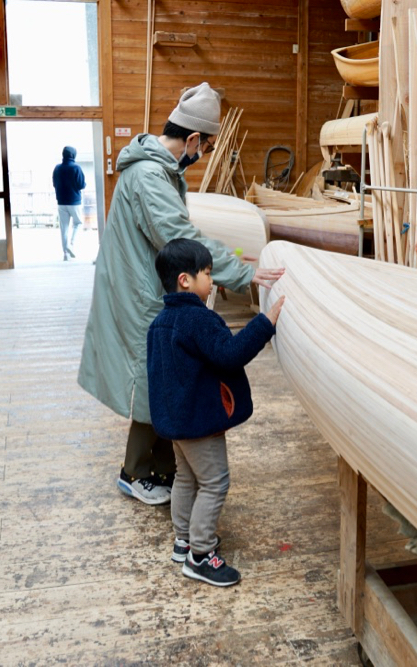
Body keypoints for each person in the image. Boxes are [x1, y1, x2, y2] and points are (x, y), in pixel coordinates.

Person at [77, 82, 284, 505]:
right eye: (205, 147)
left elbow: (178, 232)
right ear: (192, 139)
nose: (203, 154)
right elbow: (176, 237)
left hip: (144, 282)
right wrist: (241, 273)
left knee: (164, 376)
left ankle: (162, 468)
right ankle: (136, 473)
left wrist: (231, 259)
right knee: (152, 378)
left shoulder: (159, 171)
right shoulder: (150, 176)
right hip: (138, 290)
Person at [147, 239, 285, 586]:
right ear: (185, 280)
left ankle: (183, 541)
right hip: (200, 423)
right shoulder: (198, 320)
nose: (212, 280)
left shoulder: (160, 322)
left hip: (176, 423)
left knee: (186, 478)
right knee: (215, 482)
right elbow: (231, 354)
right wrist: (265, 322)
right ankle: (200, 555)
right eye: (207, 274)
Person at [52, 146, 86, 261]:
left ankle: (65, 254)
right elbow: (81, 185)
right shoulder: (76, 168)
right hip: (74, 202)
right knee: (78, 223)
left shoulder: (57, 168)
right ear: (73, 155)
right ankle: (71, 244)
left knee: (64, 227)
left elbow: (54, 184)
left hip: (61, 202)